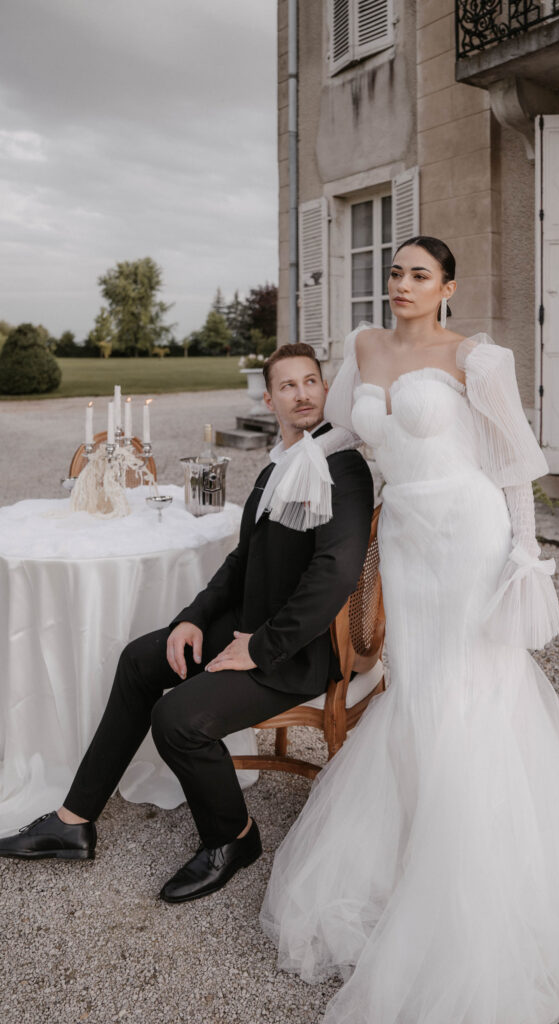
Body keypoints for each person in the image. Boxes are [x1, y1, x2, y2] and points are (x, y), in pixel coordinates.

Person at [261, 238, 559, 1024]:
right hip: (408, 541)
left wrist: (525, 556)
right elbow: (350, 433)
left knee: (473, 690)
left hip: (468, 535)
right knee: (417, 686)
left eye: (418, 274)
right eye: (393, 272)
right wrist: (295, 457)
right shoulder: (362, 345)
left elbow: (511, 462)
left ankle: (481, 867)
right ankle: (413, 847)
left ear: (446, 287)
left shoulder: (478, 358)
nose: (400, 284)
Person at [0, 343, 374, 905]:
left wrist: (261, 647)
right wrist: (191, 619)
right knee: (139, 660)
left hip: (295, 651)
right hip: (248, 631)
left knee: (176, 719)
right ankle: (73, 821)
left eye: (311, 382)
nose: (303, 394)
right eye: (288, 386)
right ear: (269, 398)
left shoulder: (341, 462)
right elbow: (242, 560)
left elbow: (335, 573)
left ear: (326, 389)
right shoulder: (281, 463)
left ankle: (234, 838)